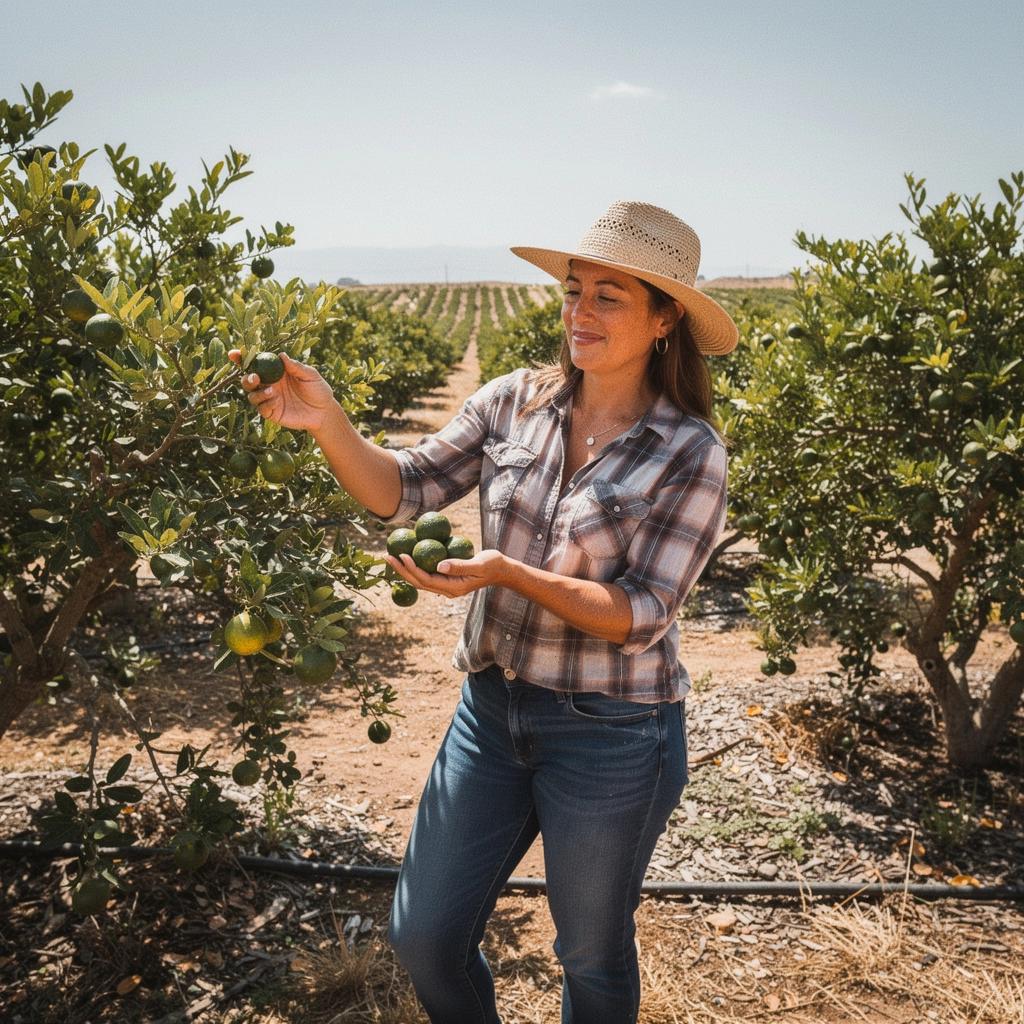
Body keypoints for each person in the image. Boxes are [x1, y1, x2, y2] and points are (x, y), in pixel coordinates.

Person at [234, 200, 738, 1023]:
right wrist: (327, 423)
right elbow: (404, 490)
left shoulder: (690, 451)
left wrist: (509, 573)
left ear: (663, 319)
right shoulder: (515, 403)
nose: (581, 310)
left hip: (614, 732)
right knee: (423, 934)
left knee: (589, 951)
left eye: (610, 296)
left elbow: (644, 612)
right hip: (493, 709)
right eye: (575, 290)